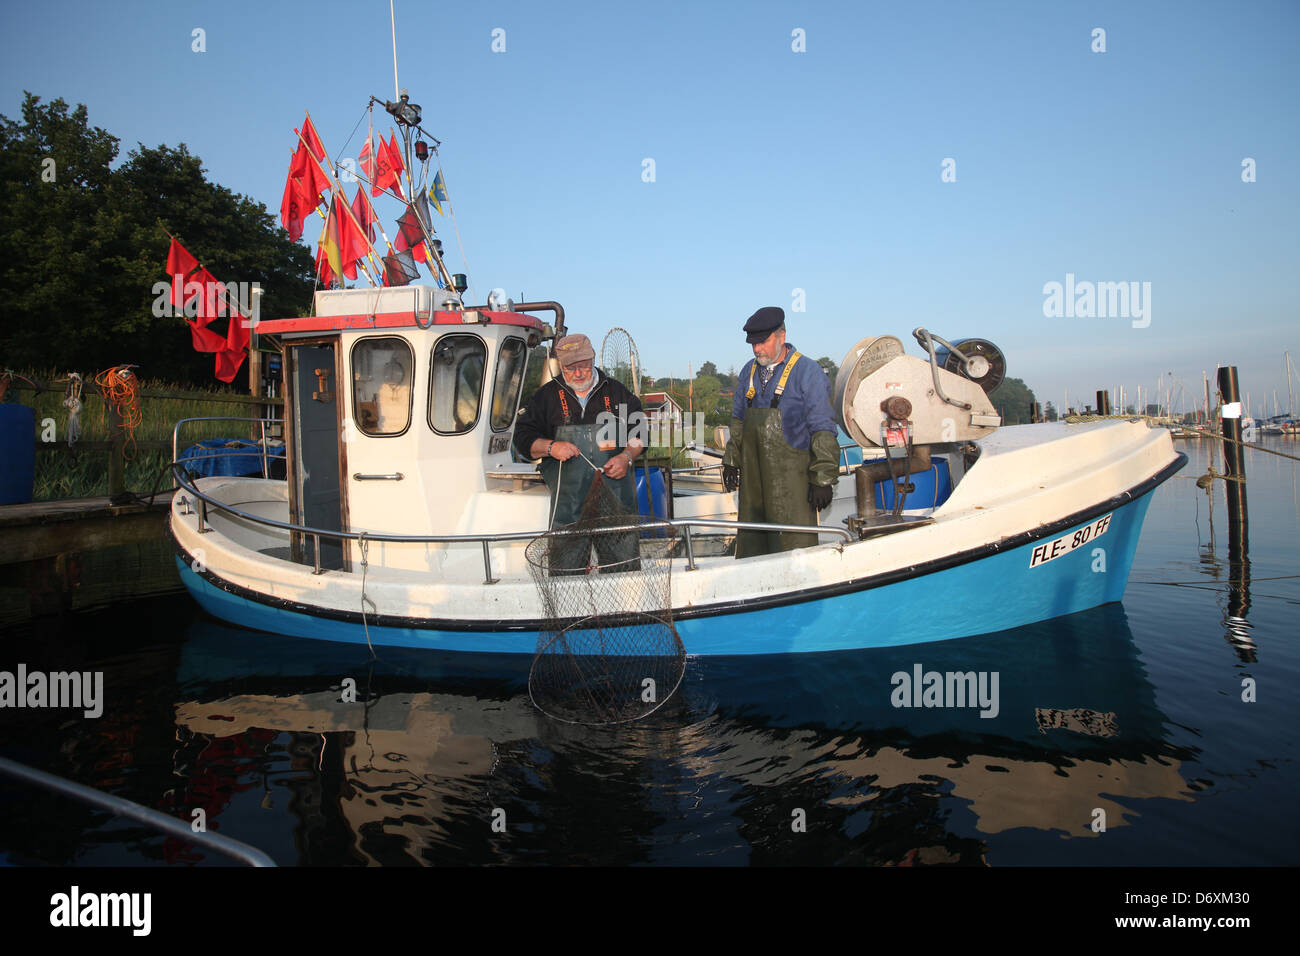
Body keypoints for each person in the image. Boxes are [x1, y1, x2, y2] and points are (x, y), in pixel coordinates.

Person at [721, 307, 839, 558]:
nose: (756, 349)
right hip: (753, 485)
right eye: (752, 343)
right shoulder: (748, 372)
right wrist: (731, 460)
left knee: (795, 552)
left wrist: (823, 477)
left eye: (762, 342)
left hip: (792, 485)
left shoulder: (808, 372)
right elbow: (739, 420)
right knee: (753, 550)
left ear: (781, 336)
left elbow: (823, 427)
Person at [514, 333, 646, 530]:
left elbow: (640, 435)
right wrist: (551, 447)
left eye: (583, 365)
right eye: (570, 368)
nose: (578, 373)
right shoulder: (546, 397)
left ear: (593, 358)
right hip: (568, 510)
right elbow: (522, 438)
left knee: (621, 558)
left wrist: (626, 457)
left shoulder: (617, 392)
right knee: (567, 559)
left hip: (616, 507)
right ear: (560, 364)